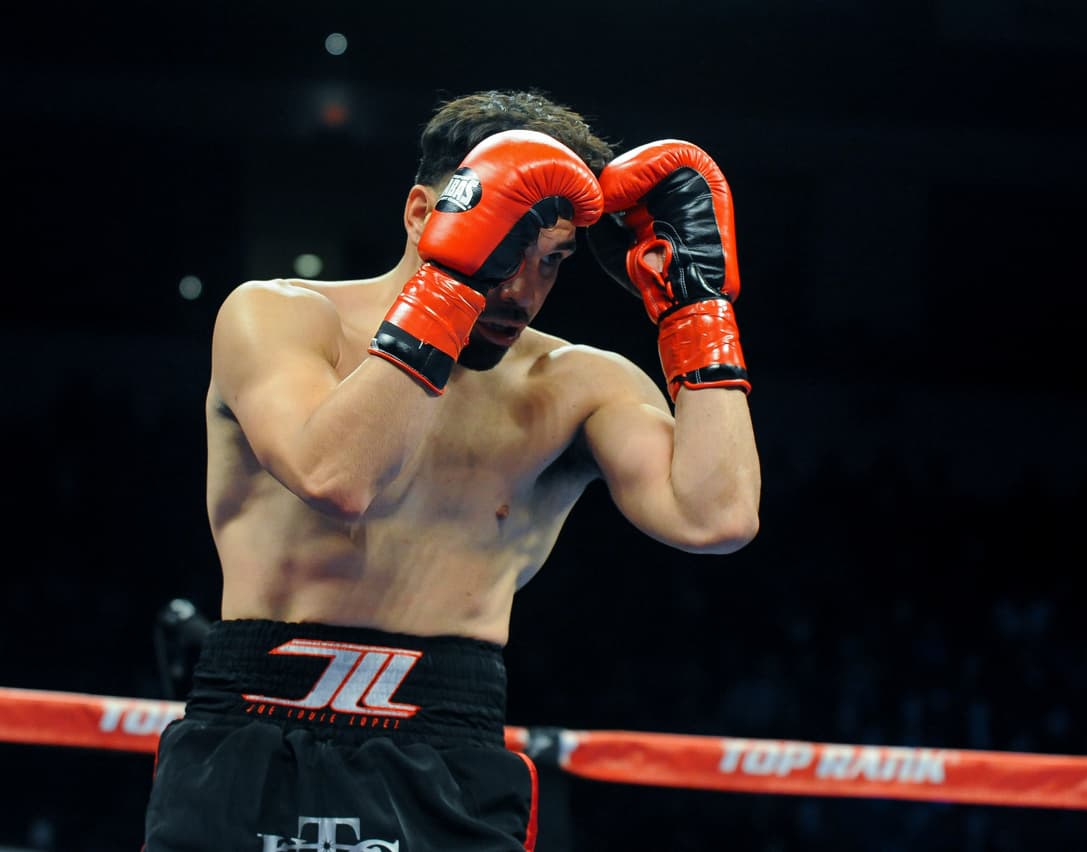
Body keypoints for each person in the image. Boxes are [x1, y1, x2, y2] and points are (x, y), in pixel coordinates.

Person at [143, 88, 760, 851]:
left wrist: (697, 316)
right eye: (500, 252)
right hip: (250, 740)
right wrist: (449, 286)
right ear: (419, 214)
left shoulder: (574, 383)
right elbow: (339, 477)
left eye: (551, 264)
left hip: (448, 755)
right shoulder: (277, 319)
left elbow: (717, 517)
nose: (521, 292)